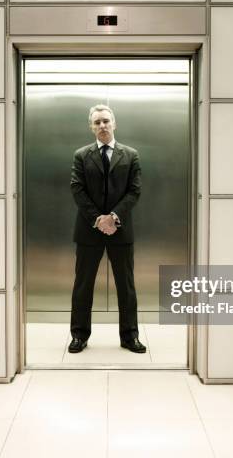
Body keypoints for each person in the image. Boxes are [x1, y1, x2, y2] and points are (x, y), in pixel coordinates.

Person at [68, 104, 147, 354]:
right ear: (91, 127)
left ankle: (130, 336)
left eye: (106, 121)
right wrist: (99, 219)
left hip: (121, 230)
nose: (102, 126)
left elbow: (134, 191)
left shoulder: (131, 154)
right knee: (83, 285)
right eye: (97, 122)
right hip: (88, 230)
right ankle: (79, 335)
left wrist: (113, 217)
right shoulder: (81, 155)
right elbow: (77, 189)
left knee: (126, 286)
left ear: (114, 124)